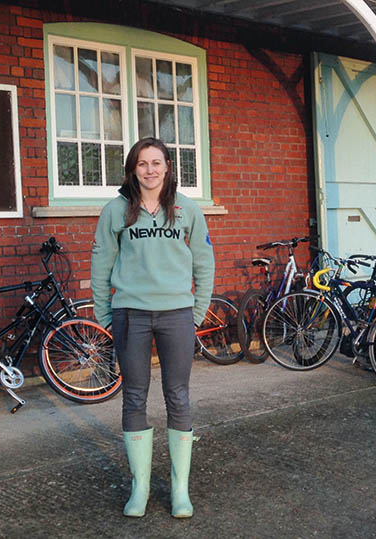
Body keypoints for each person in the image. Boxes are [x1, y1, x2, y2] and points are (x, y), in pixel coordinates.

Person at [91, 137, 215, 518]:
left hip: (177, 314)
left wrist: (196, 313)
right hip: (131, 315)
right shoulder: (116, 211)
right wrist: (105, 315)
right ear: (133, 169)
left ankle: (180, 490)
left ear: (167, 167)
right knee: (134, 396)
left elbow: (204, 262)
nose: (150, 170)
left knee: (178, 396)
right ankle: (140, 488)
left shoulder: (187, 209)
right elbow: (101, 264)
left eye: (156, 162)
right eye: (142, 163)